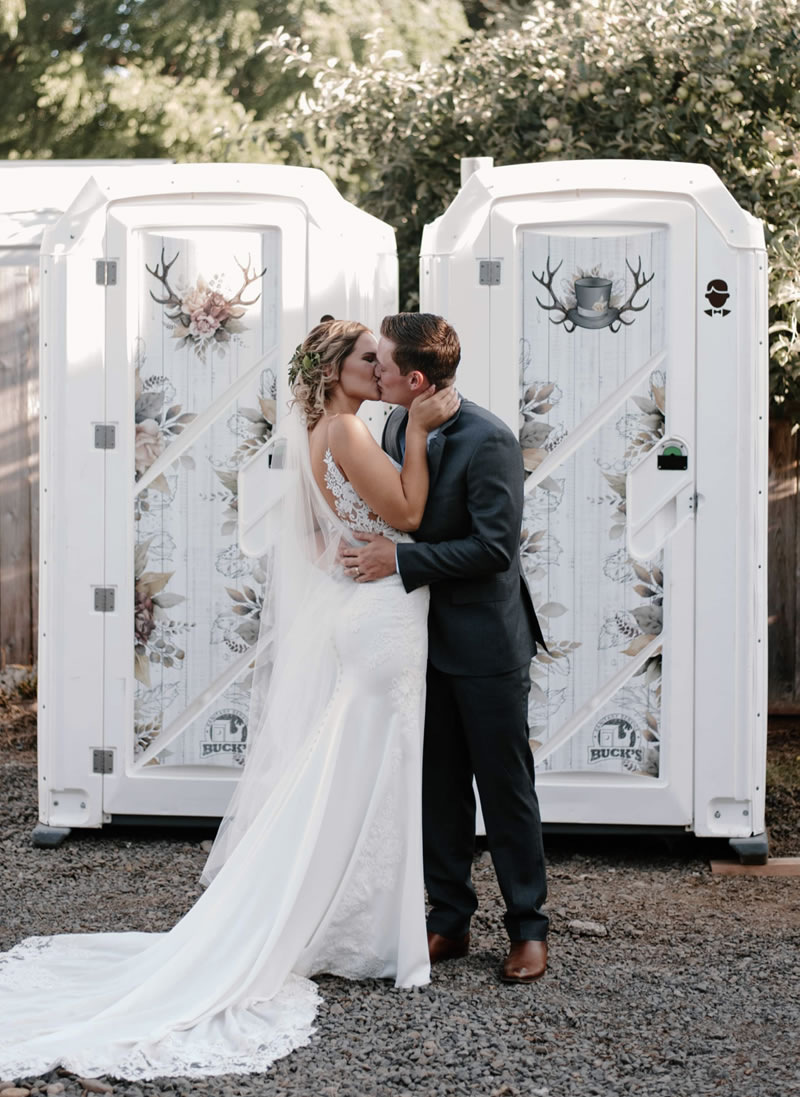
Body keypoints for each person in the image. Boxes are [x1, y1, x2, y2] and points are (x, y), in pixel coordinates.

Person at [0, 320, 457, 1082]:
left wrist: (352, 550)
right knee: (363, 763)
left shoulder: (327, 430)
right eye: (368, 359)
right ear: (335, 371)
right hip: (382, 619)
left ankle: (360, 924)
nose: (384, 369)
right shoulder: (347, 431)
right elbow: (408, 516)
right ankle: (352, 928)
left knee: (358, 767)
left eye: (384, 360)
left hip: (368, 604)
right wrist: (416, 430)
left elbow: (319, 542)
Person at [339, 312, 550, 983]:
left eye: (385, 365)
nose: (377, 371)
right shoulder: (401, 425)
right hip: (418, 639)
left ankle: (528, 929)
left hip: (487, 642)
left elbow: (494, 549)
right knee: (438, 787)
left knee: (505, 785)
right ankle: (449, 920)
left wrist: (401, 560)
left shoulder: (489, 439)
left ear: (417, 378)